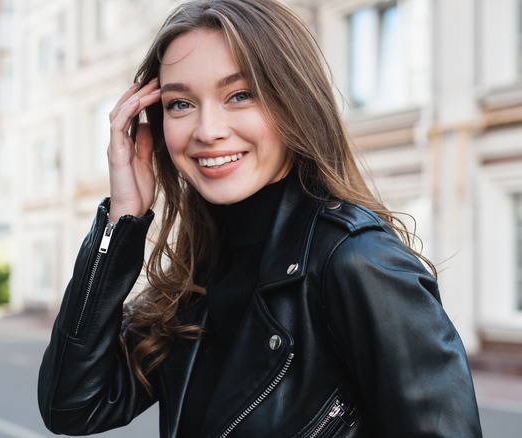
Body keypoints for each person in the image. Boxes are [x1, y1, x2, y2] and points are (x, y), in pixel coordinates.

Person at [37, 0, 483, 436]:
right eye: (180, 104)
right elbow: (73, 405)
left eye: (240, 95)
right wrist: (121, 221)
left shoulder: (357, 262)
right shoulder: (199, 276)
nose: (208, 130)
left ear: (295, 103)